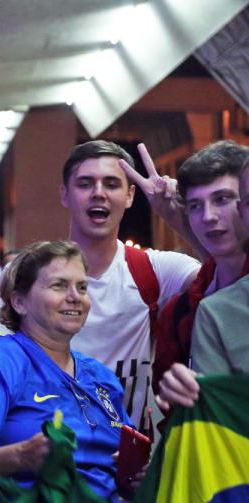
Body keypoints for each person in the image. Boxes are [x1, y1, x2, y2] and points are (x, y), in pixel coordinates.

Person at [0, 241, 136, 503]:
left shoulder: (103, 378)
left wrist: (138, 476)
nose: (75, 296)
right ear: (19, 302)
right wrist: (21, 456)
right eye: (59, 285)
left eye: (82, 287)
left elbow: (127, 469)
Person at [61, 141, 200, 433]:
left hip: (124, 466)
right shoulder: (23, 275)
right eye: (85, 183)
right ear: (65, 194)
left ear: (130, 195)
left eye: (111, 184)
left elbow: (231, 284)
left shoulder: (156, 270)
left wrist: (176, 217)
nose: (98, 192)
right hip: (47, 463)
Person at [151, 141, 249, 391]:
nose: (208, 216)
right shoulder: (179, 313)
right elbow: (172, 413)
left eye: (222, 199)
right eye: (195, 206)